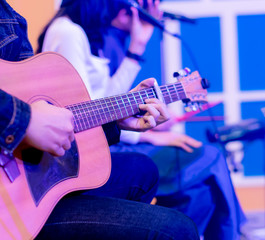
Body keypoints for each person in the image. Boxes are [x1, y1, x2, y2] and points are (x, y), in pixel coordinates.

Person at [37, 0, 247, 239]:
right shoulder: (67, 32)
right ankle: (236, 230)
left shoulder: (90, 35)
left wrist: (137, 49)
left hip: (108, 137)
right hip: (91, 150)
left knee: (202, 190)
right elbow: (81, 115)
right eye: (128, 8)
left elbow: (106, 103)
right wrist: (150, 137)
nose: (133, 13)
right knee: (210, 157)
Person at [0, 1, 199, 239]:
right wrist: (25, 120)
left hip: (28, 174)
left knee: (142, 170)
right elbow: (39, 117)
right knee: (177, 229)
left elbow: (63, 114)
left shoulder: (11, 14)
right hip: (13, 199)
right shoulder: (68, 32)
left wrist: (114, 122)